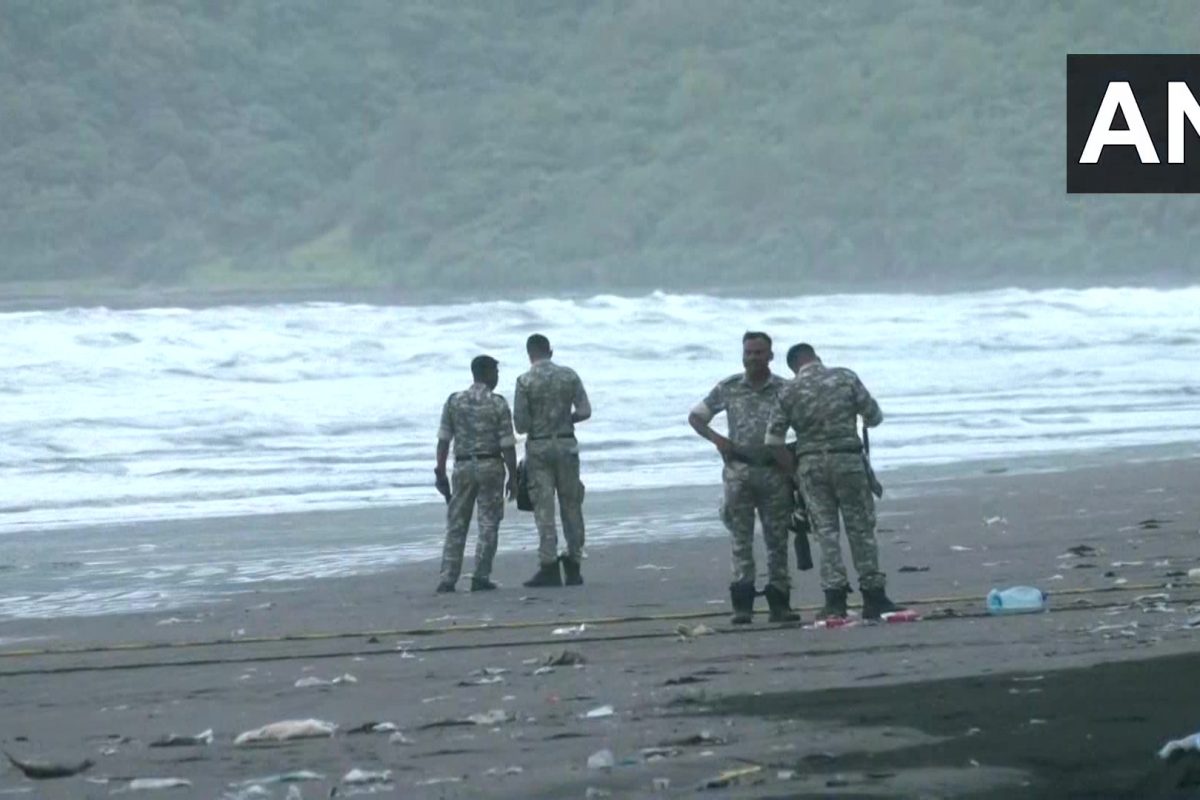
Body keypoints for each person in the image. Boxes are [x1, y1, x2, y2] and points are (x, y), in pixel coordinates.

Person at [765, 343, 904, 620]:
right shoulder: (845, 377)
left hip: (811, 465)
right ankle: (874, 595)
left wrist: (795, 470)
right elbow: (874, 417)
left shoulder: (787, 391)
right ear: (817, 358)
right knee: (860, 529)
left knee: (825, 533)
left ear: (793, 366)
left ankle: (835, 600)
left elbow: (773, 441)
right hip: (848, 461)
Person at [689, 332, 799, 624]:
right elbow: (696, 417)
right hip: (739, 472)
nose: (752, 358)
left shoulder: (785, 389)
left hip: (773, 472)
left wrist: (792, 458)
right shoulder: (729, 387)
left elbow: (804, 423)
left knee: (777, 540)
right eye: (748, 352)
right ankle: (743, 604)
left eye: (758, 353)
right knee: (741, 540)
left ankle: (779, 602)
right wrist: (717, 440)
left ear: (770, 356)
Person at [434, 355, 518, 593]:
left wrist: (440, 470)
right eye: (496, 372)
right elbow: (507, 444)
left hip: (462, 466)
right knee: (488, 523)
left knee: (456, 523)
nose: (498, 377)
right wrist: (513, 476)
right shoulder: (497, 403)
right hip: (490, 465)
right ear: (488, 373)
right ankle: (481, 575)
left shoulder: (454, 401)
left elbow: (443, 440)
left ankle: (448, 577)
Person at [513, 334, 591, 587]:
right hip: (567, 444)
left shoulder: (525, 381)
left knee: (544, 509)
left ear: (529, 354)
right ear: (551, 351)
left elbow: (521, 425)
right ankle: (574, 563)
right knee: (572, 505)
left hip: (539, 447)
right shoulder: (569, 375)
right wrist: (566, 419)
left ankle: (548, 566)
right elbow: (585, 411)